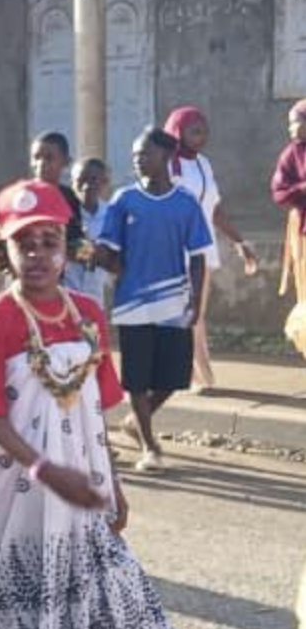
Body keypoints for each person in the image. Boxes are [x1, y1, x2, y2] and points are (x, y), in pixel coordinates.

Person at [0, 179, 201, 629]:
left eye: (49, 241)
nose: (38, 254)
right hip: (18, 499)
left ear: (69, 248)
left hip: (85, 497)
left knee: (88, 614)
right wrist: (44, 470)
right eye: (24, 243)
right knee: (25, 617)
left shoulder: (88, 315)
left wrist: (113, 482)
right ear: (2, 250)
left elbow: (96, 409)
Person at [94, 127, 213, 473]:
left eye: (145, 153)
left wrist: (196, 300)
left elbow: (198, 256)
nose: (138, 160)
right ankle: (150, 445)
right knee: (137, 379)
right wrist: (94, 254)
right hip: (132, 304)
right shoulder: (124, 200)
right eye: (135, 155)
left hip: (175, 302)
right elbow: (110, 252)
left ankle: (136, 421)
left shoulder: (185, 202)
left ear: (166, 156)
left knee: (174, 376)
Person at [163, 107, 260, 391]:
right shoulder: (166, 164)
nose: (202, 137)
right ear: (178, 132)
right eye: (195, 131)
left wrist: (239, 242)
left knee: (195, 314)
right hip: (173, 250)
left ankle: (193, 374)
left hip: (202, 251)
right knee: (185, 314)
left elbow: (214, 209)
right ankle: (196, 375)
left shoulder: (203, 164)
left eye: (204, 131)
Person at [272, 99, 306, 359]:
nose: (292, 129)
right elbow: (279, 192)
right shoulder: (291, 154)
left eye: (297, 123)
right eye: (290, 124)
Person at [63, 158, 113, 302]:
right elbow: (62, 249)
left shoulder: (112, 216)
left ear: (104, 182)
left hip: (98, 297)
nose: (86, 186)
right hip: (66, 295)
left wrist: (85, 251)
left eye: (93, 180)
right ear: (72, 182)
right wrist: (93, 252)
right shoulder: (65, 215)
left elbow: (115, 257)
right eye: (80, 180)